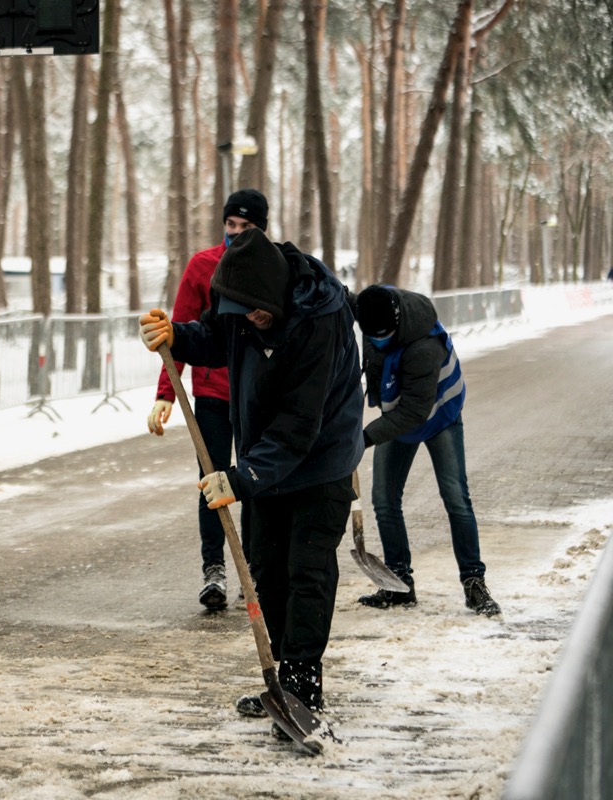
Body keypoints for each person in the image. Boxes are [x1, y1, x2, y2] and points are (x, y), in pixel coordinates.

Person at [139, 227, 364, 722]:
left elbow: (299, 424)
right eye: (243, 314)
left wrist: (240, 478)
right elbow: (221, 338)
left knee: (307, 569)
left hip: (321, 458)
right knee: (265, 566)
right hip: (267, 455)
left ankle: (304, 683)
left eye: (258, 313)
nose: (252, 322)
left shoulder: (320, 320)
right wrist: (179, 336)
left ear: (275, 293)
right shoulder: (244, 303)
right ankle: (283, 677)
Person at [146, 189, 268, 610]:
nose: (235, 233)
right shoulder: (202, 266)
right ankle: (213, 570)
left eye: (246, 227)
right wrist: (166, 394)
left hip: (257, 398)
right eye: (230, 225)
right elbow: (176, 335)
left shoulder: (273, 270)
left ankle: (252, 568)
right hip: (214, 397)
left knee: (254, 483)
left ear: (261, 230)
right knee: (212, 482)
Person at [351, 285, 501, 616]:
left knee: (456, 499)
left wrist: (361, 439)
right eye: (372, 335)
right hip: (399, 414)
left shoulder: (423, 346)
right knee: (385, 500)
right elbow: (341, 301)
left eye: (385, 334)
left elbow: (414, 413)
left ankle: (474, 582)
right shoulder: (371, 310)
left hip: (439, 415)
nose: (378, 340)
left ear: (397, 322)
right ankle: (400, 582)